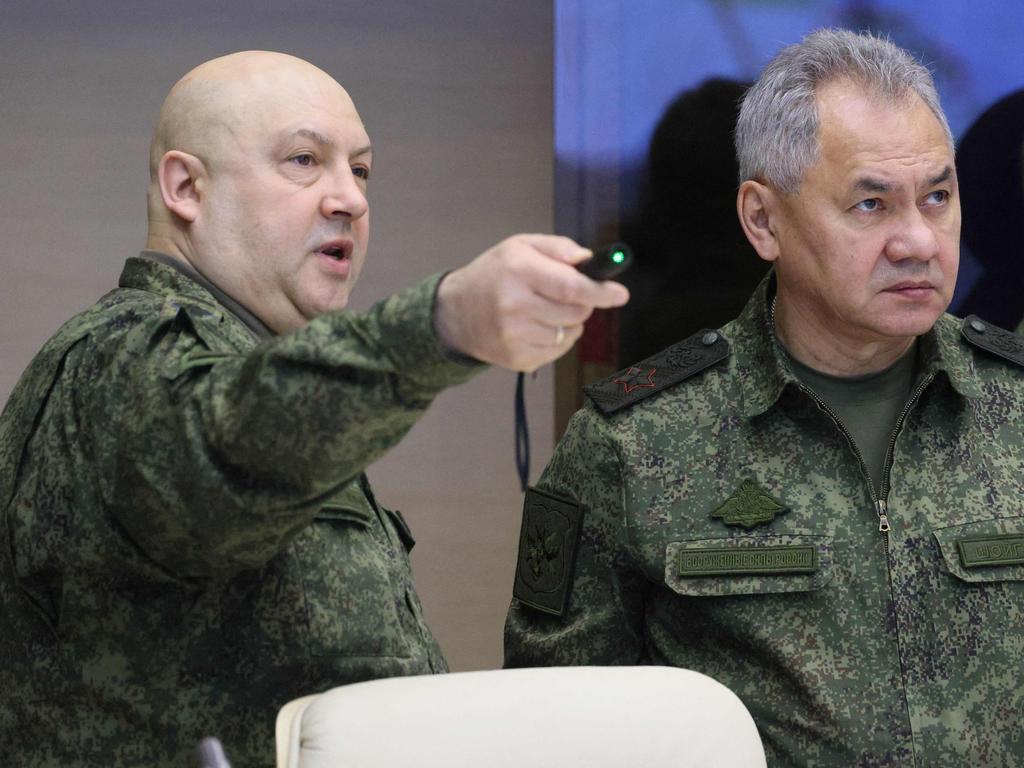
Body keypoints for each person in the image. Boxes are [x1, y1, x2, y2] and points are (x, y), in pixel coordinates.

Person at [0, 51, 628, 767]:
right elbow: (229, 451)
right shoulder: (121, 358)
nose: (350, 199)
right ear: (186, 187)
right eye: (304, 160)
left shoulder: (242, 354)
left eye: (360, 170)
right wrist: (442, 324)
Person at [505, 28, 1024, 766]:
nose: (919, 240)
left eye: (936, 196)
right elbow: (547, 727)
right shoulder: (633, 445)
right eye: (871, 205)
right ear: (762, 219)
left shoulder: (1016, 411)